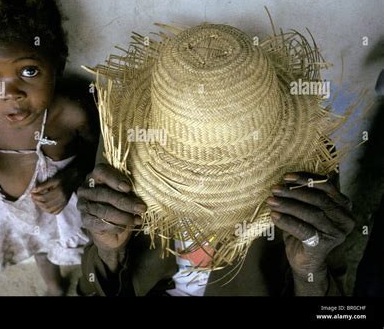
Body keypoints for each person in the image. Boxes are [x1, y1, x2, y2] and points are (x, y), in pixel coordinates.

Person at [77, 23, 356, 296]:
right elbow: (90, 286)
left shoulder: (309, 162)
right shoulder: (123, 144)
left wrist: (309, 273)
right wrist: (108, 251)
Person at [0, 0, 99, 296]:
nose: (10, 93)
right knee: (37, 248)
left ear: (57, 63)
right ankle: (53, 285)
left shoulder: (70, 115)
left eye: (29, 71)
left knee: (71, 243)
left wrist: (72, 178)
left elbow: (97, 154)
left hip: (57, 208)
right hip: (8, 210)